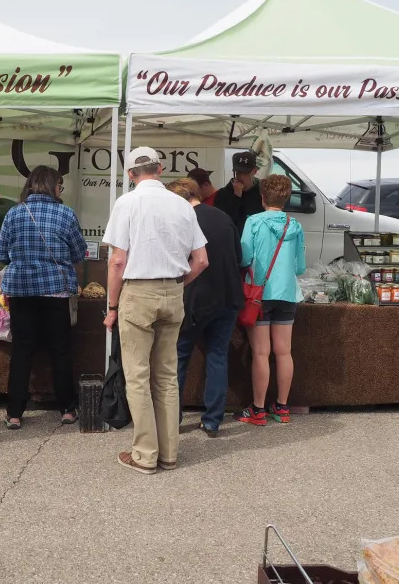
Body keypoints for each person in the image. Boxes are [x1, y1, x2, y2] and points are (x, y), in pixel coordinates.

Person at [103, 147, 209, 474]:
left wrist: (112, 306)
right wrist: (178, 283)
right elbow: (202, 260)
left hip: (138, 291)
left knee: (137, 376)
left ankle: (145, 454)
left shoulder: (127, 203)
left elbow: (118, 260)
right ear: (160, 169)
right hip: (173, 291)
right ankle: (169, 453)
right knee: (166, 377)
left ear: (131, 174)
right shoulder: (182, 204)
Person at [0, 165, 87, 429]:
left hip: (21, 291)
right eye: (60, 185)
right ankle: (67, 409)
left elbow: (0, 255)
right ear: (53, 186)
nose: (61, 190)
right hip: (55, 290)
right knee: (60, 350)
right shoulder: (65, 214)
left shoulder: (14, 213)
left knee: (22, 350)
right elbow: (79, 253)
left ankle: (14, 413)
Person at [165, 178, 242, 437]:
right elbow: (239, 257)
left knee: (179, 358)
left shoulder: (182, 219)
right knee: (217, 356)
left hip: (194, 299)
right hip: (228, 296)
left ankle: (171, 420)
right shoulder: (223, 217)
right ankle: (212, 421)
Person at [234, 174, 306, 426]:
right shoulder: (294, 225)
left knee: (261, 353)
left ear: (262, 197)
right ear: (286, 198)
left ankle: (258, 409)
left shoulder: (253, 222)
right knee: (284, 352)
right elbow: (300, 268)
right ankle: (283, 407)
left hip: (259, 296)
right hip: (288, 294)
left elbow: (243, 259)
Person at [213, 150, 264, 235]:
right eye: (239, 172)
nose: (241, 176)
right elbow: (223, 223)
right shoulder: (223, 194)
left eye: (245, 172)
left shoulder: (261, 193)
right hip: (233, 242)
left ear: (254, 171)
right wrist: (236, 197)